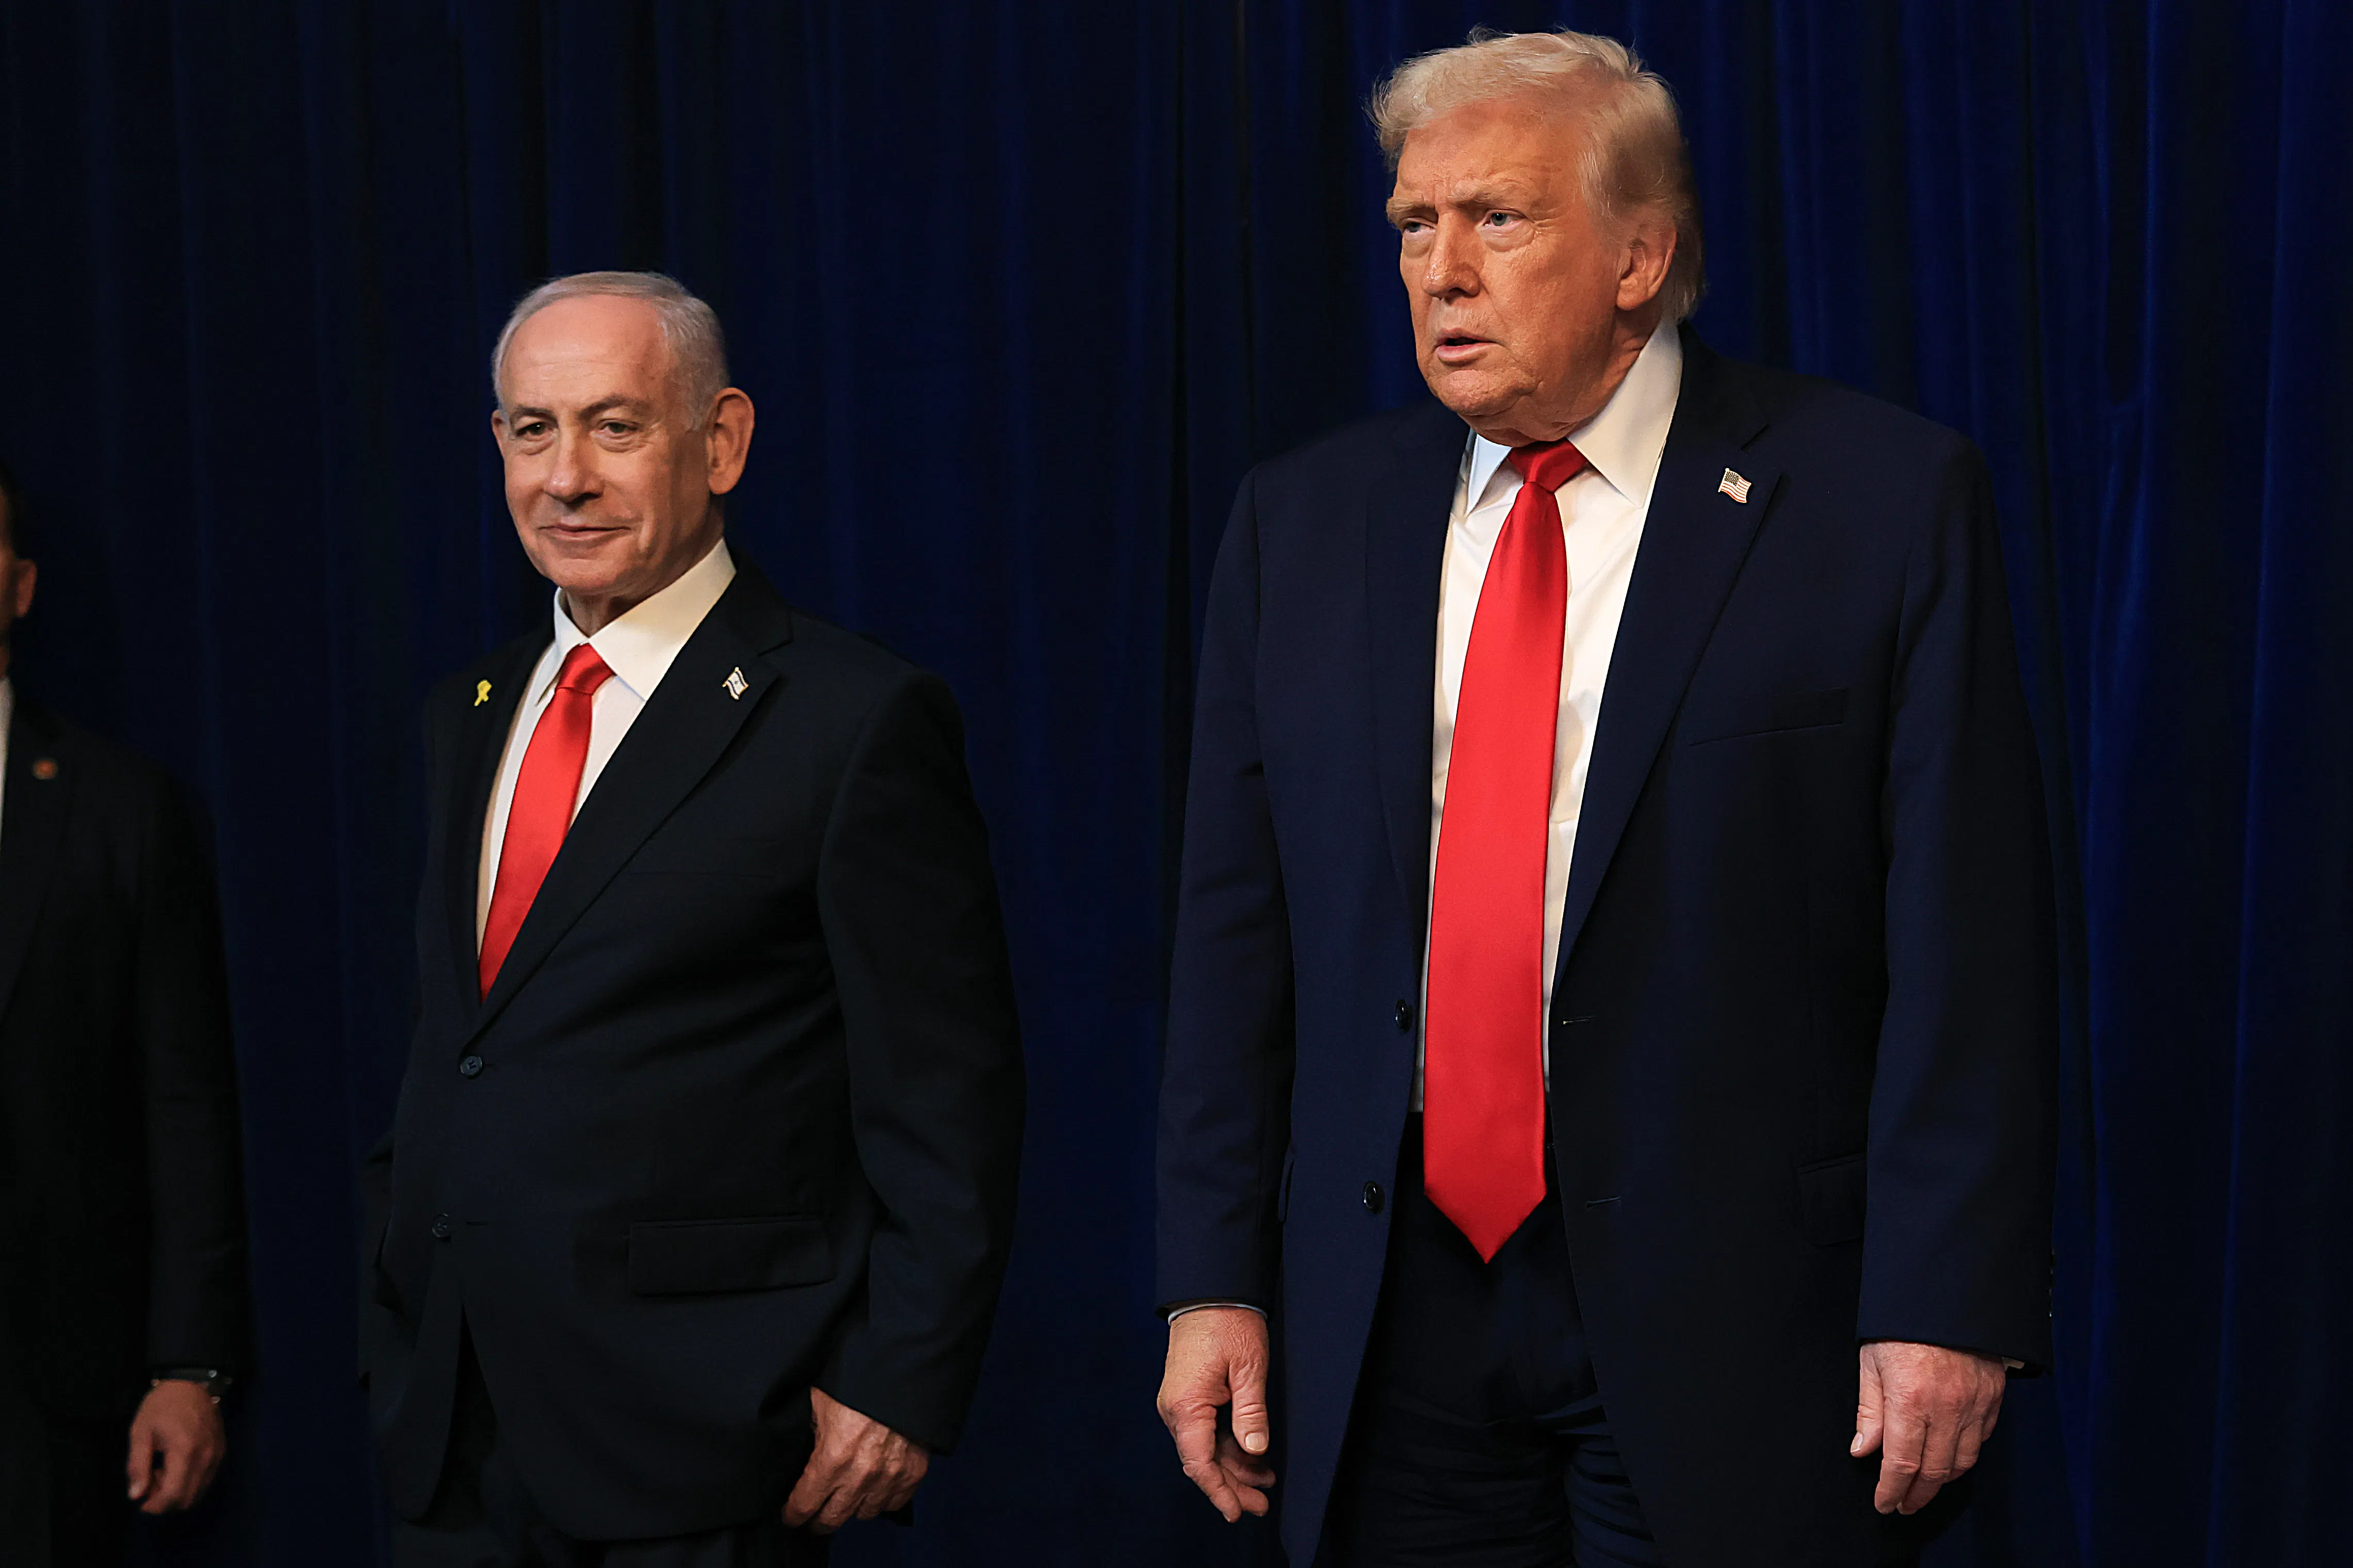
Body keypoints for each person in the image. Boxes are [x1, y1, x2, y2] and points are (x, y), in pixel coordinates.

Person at [1155, 29, 2057, 1568]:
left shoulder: (1877, 501)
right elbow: (1236, 938)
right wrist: (1211, 1278)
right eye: (1411, 226)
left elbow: (1966, 942)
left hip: (1744, 1304)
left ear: (1639, 254)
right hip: (1391, 1306)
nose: (1440, 270)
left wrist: (1943, 1300)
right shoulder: (1299, 524)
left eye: (1494, 219)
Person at [361, 272, 1025, 1567]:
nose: (567, 478)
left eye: (614, 427)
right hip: (453, 1432)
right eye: (532, 430)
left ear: (718, 440)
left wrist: (900, 1378)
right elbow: (464, 1044)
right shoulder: (469, 712)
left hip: (708, 1438)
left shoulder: (849, 719)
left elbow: (949, 1093)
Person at [0, 457, 250, 1565]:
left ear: (19, 587)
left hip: (51, 1396)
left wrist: (188, 1365)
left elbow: (184, 1101)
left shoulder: (120, 809)